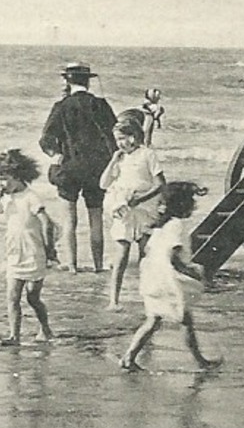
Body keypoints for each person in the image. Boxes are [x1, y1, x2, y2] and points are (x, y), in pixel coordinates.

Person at [119, 181, 217, 372]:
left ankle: (129, 357)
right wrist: (191, 271)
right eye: (191, 202)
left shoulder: (160, 226)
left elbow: (150, 250)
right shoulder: (177, 226)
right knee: (186, 321)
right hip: (168, 281)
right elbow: (173, 257)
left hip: (153, 278)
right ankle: (201, 362)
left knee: (153, 320)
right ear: (183, 206)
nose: (193, 206)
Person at [39, 62, 117, 273]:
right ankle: (98, 266)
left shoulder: (61, 106)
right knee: (95, 219)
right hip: (97, 169)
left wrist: (56, 154)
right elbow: (113, 137)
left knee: (69, 220)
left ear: (68, 81)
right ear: (88, 82)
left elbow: (46, 139)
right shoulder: (101, 105)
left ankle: (72, 266)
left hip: (70, 168)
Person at [0, 148, 55, 346]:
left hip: (34, 253)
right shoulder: (6, 199)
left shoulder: (31, 197)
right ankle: (15, 336)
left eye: (4, 179)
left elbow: (48, 222)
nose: (1, 184)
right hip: (14, 254)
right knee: (12, 297)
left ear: (17, 175)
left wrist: (50, 250)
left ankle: (45, 328)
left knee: (33, 298)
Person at [100, 118, 166, 307]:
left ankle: (149, 298)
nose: (122, 143)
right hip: (124, 208)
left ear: (136, 136)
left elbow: (161, 184)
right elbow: (103, 184)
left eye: (126, 138)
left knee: (146, 255)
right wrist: (113, 160)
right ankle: (114, 300)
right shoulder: (120, 158)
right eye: (118, 139)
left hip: (144, 207)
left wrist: (141, 199)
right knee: (121, 255)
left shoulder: (148, 154)